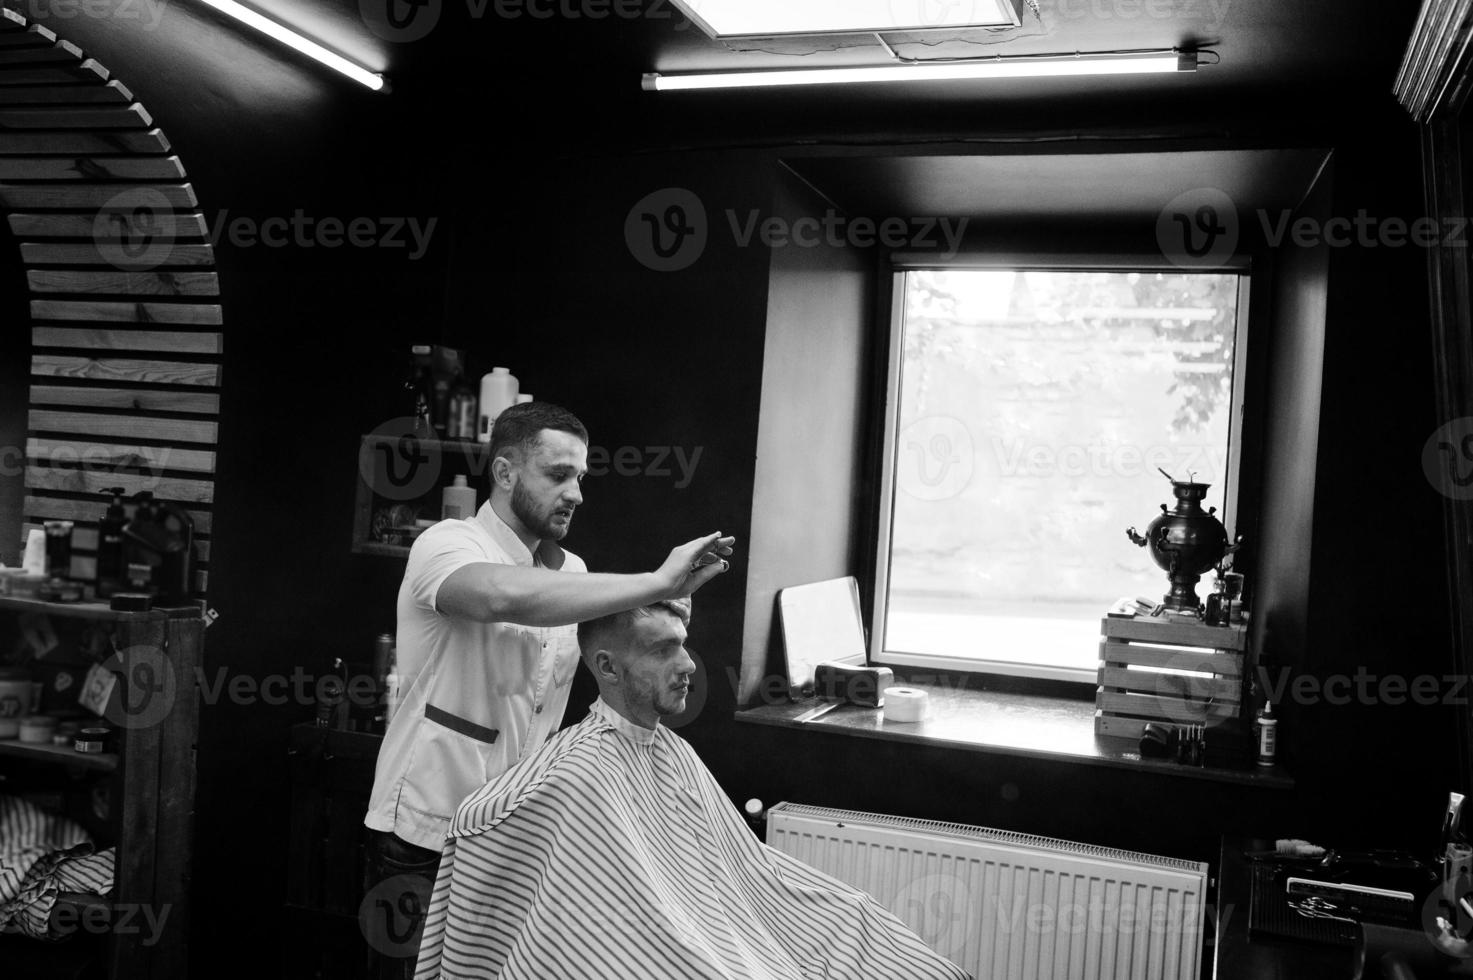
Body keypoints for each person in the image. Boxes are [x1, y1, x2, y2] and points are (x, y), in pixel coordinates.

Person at [361, 401, 734, 977]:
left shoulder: (575, 574)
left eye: (580, 477)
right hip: (425, 834)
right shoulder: (446, 545)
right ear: (506, 473)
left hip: (516, 836)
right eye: (558, 475)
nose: (577, 492)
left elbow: (610, 657)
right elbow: (503, 598)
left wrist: (662, 614)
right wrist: (651, 580)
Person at [411, 599, 972, 980]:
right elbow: (479, 824)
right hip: (695, 954)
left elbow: (748, 874)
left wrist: (844, 912)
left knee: (864, 927)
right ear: (607, 666)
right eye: (662, 650)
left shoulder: (672, 751)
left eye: (684, 645)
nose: (686, 665)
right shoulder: (579, 774)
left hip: (736, 936)